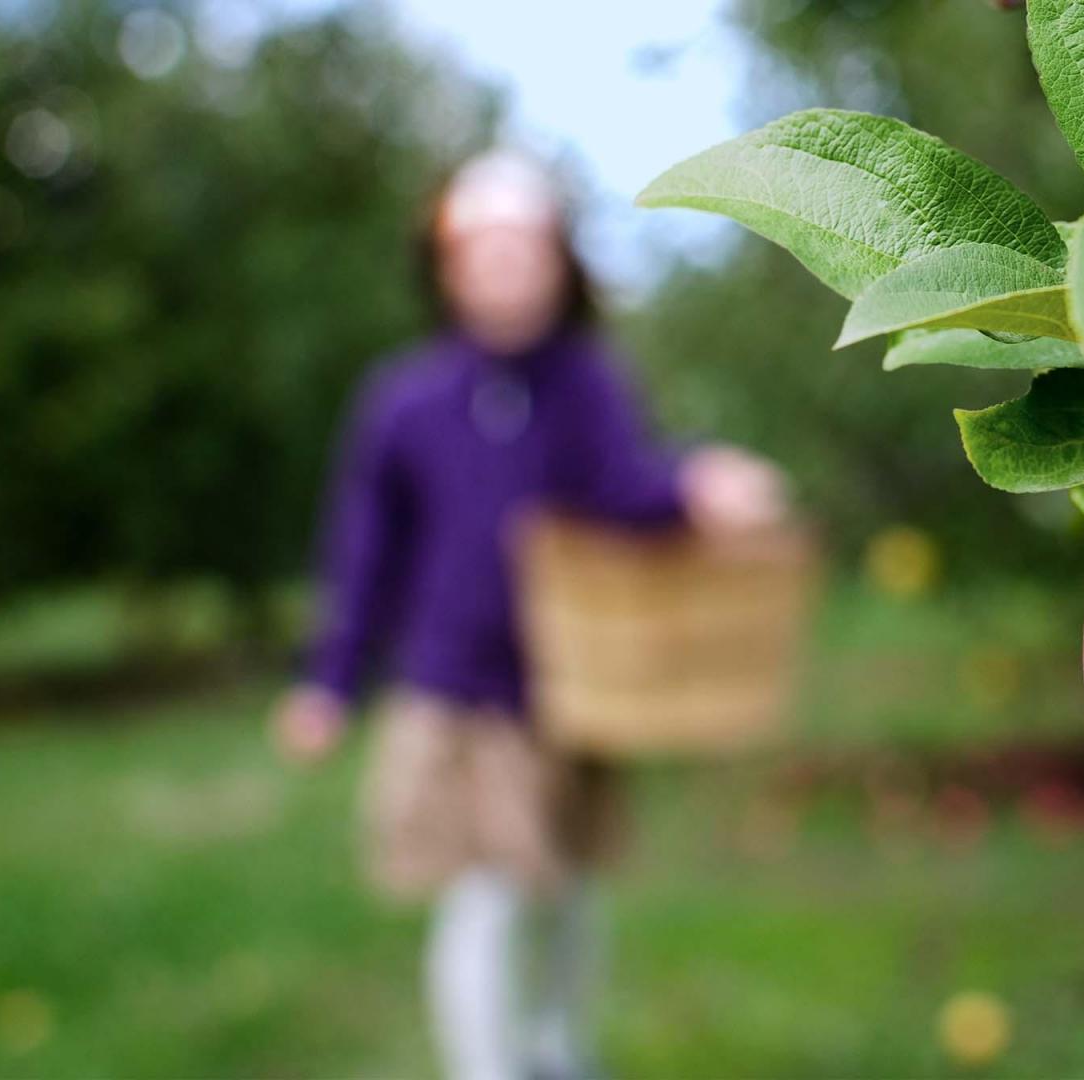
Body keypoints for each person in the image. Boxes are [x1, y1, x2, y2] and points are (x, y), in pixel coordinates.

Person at [271, 150, 784, 1080]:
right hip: (455, 689)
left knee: (572, 891)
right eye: (487, 251)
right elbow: (365, 553)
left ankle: (557, 1046)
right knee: (488, 893)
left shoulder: (586, 385)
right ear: (450, 266)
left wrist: (697, 483)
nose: (509, 269)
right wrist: (330, 679)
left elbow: (625, 491)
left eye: (528, 250)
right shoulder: (405, 403)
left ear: (560, 264)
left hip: (565, 687)